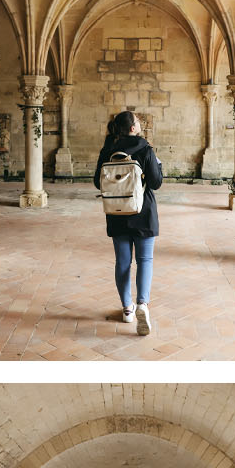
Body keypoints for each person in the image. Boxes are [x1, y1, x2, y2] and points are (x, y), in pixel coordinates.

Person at [95, 111, 163, 335]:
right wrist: (157, 166)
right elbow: (156, 182)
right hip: (143, 212)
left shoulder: (107, 149)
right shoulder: (145, 149)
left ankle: (127, 309)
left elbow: (98, 182)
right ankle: (143, 304)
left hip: (116, 212)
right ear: (133, 128)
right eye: (137, 121)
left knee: (122, 262)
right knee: (145, 260)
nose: (140, 124)